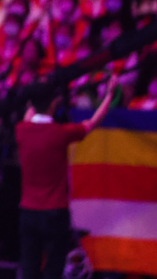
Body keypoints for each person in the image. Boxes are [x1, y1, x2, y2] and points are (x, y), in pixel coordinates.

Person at [16, 76, 117, 279]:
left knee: (29, 269)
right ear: (54, 103)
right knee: (53, 270)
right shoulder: (60, 133)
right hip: (55, 212)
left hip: (28, 212)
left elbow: (30, 111)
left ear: (31, 105)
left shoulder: (21, 130)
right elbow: (93, 121)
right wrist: (110, 94)